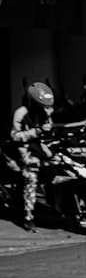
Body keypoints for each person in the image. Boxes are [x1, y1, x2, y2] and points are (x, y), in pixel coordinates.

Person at [7, 82, 56, 231]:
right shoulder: (21, 113)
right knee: (31, 178)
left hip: (41, 148)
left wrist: (48, 130)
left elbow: (49, 129)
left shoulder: (45, 112)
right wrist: (36, 132)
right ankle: (28, 216)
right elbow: (15, 136)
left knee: (58, 167)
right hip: (25, 150)